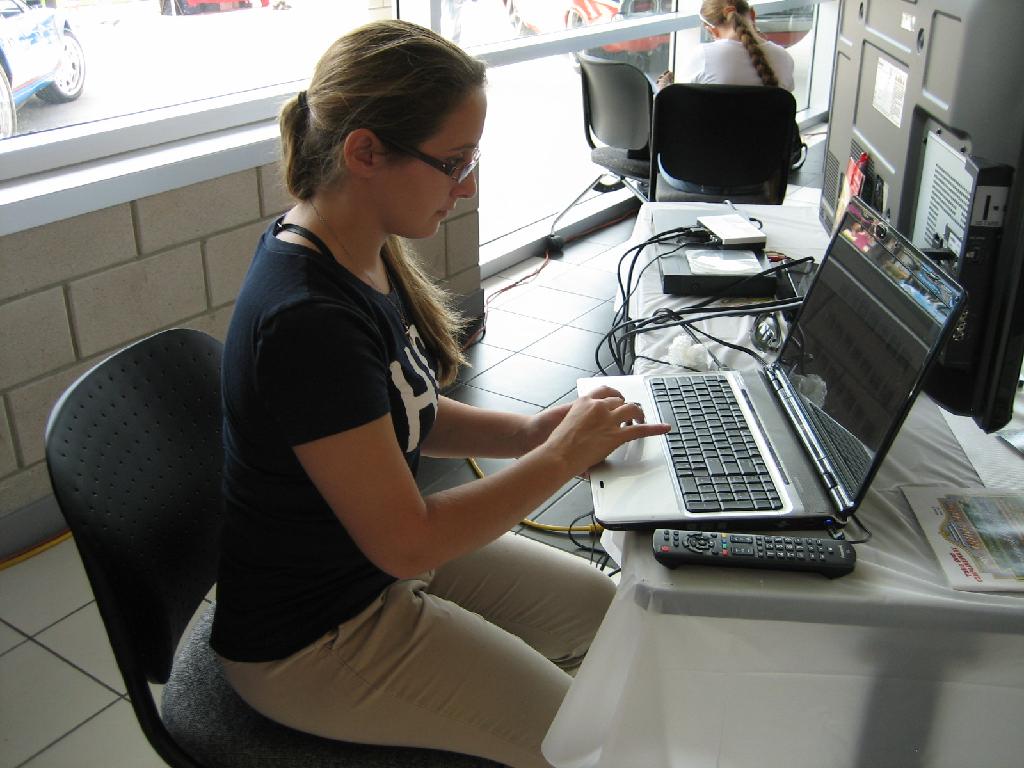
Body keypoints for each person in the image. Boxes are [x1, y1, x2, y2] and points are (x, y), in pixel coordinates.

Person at [209, 19, 669, 768]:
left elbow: (399, 407)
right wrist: (556, 459)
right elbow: (409, 540)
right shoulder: (308, 320)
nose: (469, 185)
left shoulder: (355, 246)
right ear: (365, 153)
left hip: (370, 567)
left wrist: (529, 436)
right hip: (314, 634)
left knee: (605, 615)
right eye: (453, 162)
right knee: (583, 744)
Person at [657, 0, 801, 191]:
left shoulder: (701, 57)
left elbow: (677, 114)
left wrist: (664, 88)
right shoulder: (784, 59)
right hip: (761, 176)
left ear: (711, 30)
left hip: (693, 176)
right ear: (753, 15)